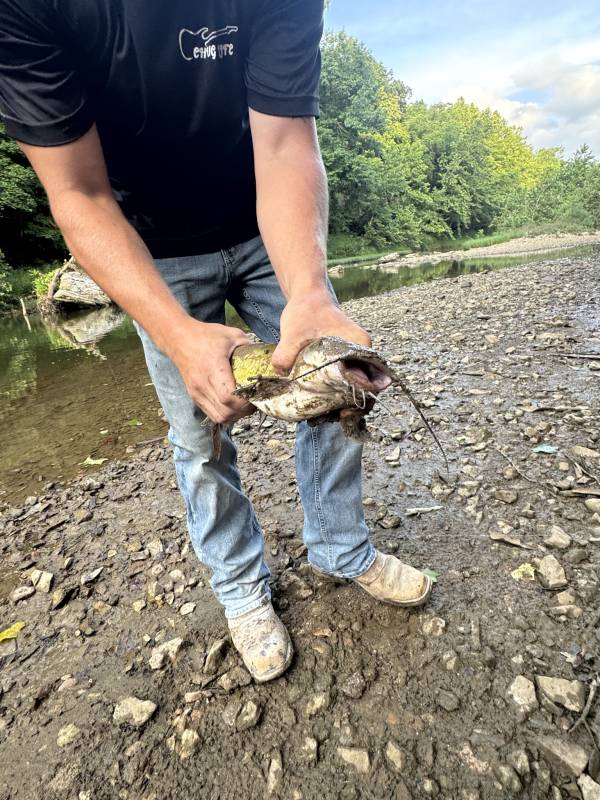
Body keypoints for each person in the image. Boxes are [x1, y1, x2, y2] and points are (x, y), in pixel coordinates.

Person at [0, 0, 432, 683]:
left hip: (267, 219)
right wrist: (177, 336)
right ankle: (240, 589)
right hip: (148, 246)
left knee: (335, 381)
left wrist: (312, 296)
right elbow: (77, 191)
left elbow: (287, 141)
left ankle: (342, 549)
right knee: (198, 431)